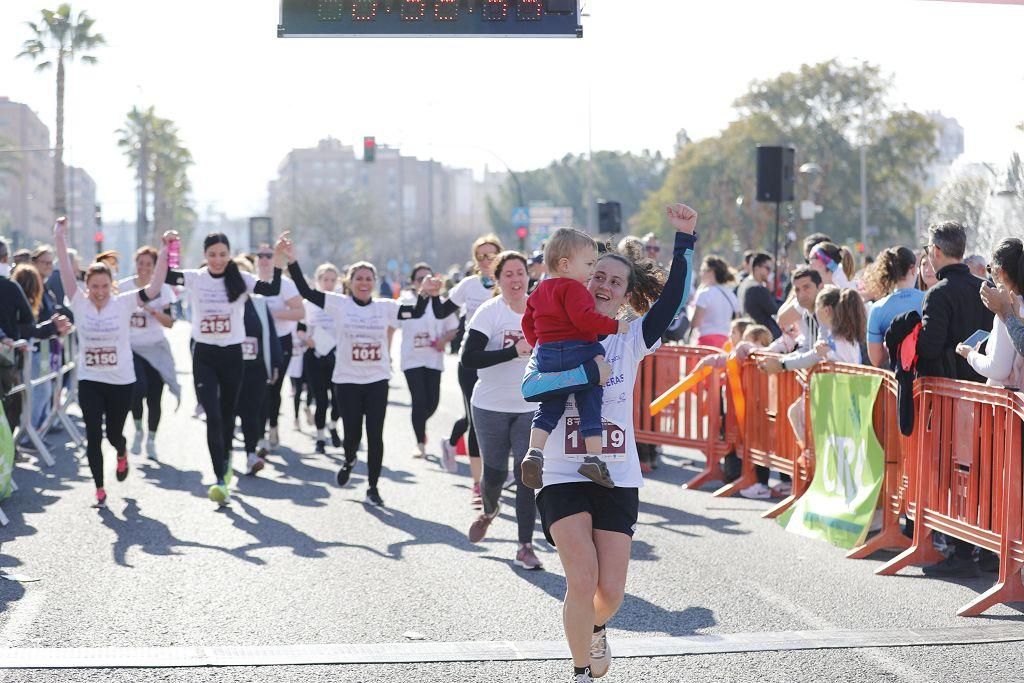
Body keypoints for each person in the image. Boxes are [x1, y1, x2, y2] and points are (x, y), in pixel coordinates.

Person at [519, 203, 696, 682]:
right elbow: (530, 390)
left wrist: (684, 240)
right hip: (558, 472)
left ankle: (595, 627)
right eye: (597, 274)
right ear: (583, 277)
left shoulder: (631, 336)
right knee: (582, 578)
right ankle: (580, 670)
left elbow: (673, 300)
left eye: (615, 281)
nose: (603, 284)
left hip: (615, 473)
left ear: (624, 295)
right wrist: (582, 372)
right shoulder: (553, 332)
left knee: (611, 591)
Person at [287, 250, 437, 507]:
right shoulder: (339, 303)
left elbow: (416, 312)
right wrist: (292, 260)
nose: (364, 283)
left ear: (374, 283)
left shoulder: (385, 307)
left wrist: (425, 292)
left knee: (375, 434)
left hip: (377, 379)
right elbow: (306, 291)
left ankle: (373, 487)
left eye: (369, 278)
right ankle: (349, 460)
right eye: (359, 278)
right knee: (352, 434)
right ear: (350, 282)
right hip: (347, 381)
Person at [165, 230, 289, 506]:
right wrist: (168, 248)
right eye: (212, 255)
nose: (217, 260)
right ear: (205, 256)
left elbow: (271, 289)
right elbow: (167, 275)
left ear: (229, 254)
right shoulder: (196, 279)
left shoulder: (240, 280)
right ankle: (220, 476)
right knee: (214, 417)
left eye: (222, 254)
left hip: (233, 355)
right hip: (205, 355)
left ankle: (229, 459)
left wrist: (279, 259)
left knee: (228, 415)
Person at [54, 217, 167, 506]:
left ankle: (122, 451)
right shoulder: (78, 302)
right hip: (91, 379)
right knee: (93, 435)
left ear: (112, 285)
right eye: (94, 286)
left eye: (105, 286)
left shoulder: (125, 302)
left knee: (114, 433)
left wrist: (164, 251)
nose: (100, 291)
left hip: (120, 380)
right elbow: (66, 271)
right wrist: (59, 236)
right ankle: (100, 489)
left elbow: (154, 288)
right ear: (87, 286)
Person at [519, 228, 628, 491]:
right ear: (566, 264)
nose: (592, 270)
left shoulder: (539, 291)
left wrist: (540, 346)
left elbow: (527, 324)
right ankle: (593, 458)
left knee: (549, 406)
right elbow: (584, 319)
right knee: (590, 401)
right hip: (579, 348)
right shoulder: (575, 289)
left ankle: (534, 452)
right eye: (590, 264)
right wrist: (614, 326)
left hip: (547, 352)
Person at [916, 221, 994, 578]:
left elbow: (929, 347)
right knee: (988, 471)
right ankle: (991, 549)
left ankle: (963, 551)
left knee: (959, 472)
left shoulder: (940, 293)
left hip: (953, 394)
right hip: (990, 393)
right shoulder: (984, 288)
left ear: (935, 252)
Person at [458, 251, 545, 568]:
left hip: (529, 406)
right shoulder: (488, 313)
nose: (515, 279)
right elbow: (469, 358)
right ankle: (490, 510)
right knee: (494, 474)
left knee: (527, 475)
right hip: (490, 406)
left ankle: (525, 545)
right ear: (497, 280)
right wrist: (512, 351)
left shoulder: (540, 311)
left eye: (520, 272)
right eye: (507, 274)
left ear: (528, 276)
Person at [432, 235, 503, 508]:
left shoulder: (511, 282)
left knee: (506, 419)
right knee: (476, 422)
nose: (486, 261)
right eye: (481, 257)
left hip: (507, 362)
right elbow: (440, 311)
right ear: (476, 261)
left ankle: (496, 473)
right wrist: (432, 291)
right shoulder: (469, 285)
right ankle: (478, 484)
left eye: (491, 255)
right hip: (473, 361)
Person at [754, 266, 825, 499]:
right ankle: (811, 474)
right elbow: (807, 348)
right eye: (797, 290)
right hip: (818, 384)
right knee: (796, 413)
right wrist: (780, 358)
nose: (802, 294)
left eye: (807, 288)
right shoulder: (806, 314)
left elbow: (819, 353)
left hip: (838, 385)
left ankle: (816, 478)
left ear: (820, 287)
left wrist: (783, 364)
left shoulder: (826, 310)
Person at [121, 246, 179, 459]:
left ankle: (152, 440)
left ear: (155, 267)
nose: (144, 268)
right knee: (137, 389)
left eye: (149, 264)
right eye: (141, 263)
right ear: (135, 263)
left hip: (155, 348)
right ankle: (138, 429)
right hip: (131, 348)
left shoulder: (162, 289)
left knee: (155, 397)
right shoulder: (124, 286)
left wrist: (150, 309)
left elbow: (170, 322)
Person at [400, 263, 460, 460]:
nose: (425, 282)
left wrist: (444, 340)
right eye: (420, 279)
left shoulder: (441, 302)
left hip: (434, 359)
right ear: (413, 282)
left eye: (428, 278)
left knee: (432, 403)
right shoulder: (406, 300)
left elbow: (454, 328)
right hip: (412, 359)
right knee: (419, 401)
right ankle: (419, 443)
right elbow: (393, 323)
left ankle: (419, 424)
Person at [235, 257, 284, 475]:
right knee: (229, 413)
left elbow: (270, 336)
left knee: (252, 412)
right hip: (229, 368)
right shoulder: (221, 304)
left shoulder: (260, 304)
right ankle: (225, 455)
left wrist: (274, 364)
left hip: (255, 368)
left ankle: (250, 454)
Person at [253, 243, 304, 450]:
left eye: (269, 255)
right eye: (261, 256)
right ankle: (259, 434)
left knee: (273, 388)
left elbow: (300, 312)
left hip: (280, 341)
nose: (265, 259)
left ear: (275, 260)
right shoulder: (250, 282)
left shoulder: (285, 284)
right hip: (256, 343)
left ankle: (272, 424)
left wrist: (272, 315)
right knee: (258, 389)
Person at [957, 238, 1024, 389]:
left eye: (989, 268)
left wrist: (970, 355)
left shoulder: (1007, 310)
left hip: (1007, 407)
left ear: (999, 271)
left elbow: (998, 369)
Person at [301, 263, 344, 454]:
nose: (328, 283)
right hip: (315, 354)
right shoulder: (308, 302)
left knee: (339, 399)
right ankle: (320, 437)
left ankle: (333, 426)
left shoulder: (342, 302)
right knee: (320, 399)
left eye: (332, 280)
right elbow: (300, 329)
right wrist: (306, 339)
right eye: (325, 279)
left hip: (337, 355)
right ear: (318, 281)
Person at [864, 246, 925, 367]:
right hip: (927, 379)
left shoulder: (877, 308)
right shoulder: (929, 299)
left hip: (896, 380)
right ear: (913, 269)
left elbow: (876, 359)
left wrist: (894, 343)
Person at [690, 255, 739, 348]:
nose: (701, 274)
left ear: (711, 271)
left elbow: (695, 323)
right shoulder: (732, 295)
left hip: (706, 342)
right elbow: (736, 322)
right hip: (726, 343)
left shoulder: (704, 293)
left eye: (703, 270)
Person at [737, 252, 781, 338]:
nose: (770, 272)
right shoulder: (758, 289)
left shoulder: (744, 284)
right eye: (768, 268)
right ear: (757, 268)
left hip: (750, 334)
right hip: (760, 337)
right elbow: (776, 310)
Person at [981, 278, 1024, 357]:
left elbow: (999, 367)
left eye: (989, 269)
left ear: (1001, 272)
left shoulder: (1009, 309)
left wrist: (970, 354)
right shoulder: (1016, 306)